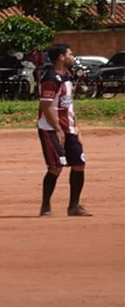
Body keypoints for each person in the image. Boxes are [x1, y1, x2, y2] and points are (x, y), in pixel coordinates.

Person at [37, 44, 91, 217]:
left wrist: (77, 128)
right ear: (61, 57)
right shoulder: (51, 78)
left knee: (79, 164)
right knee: (56, 167)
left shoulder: (67, 76)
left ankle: (74, 206)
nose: (72, 57)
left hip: (69, 128)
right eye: (70, 54)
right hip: (51, 129)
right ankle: (45, 206)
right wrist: (58, 129)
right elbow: (45, 106)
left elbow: (69, 105)